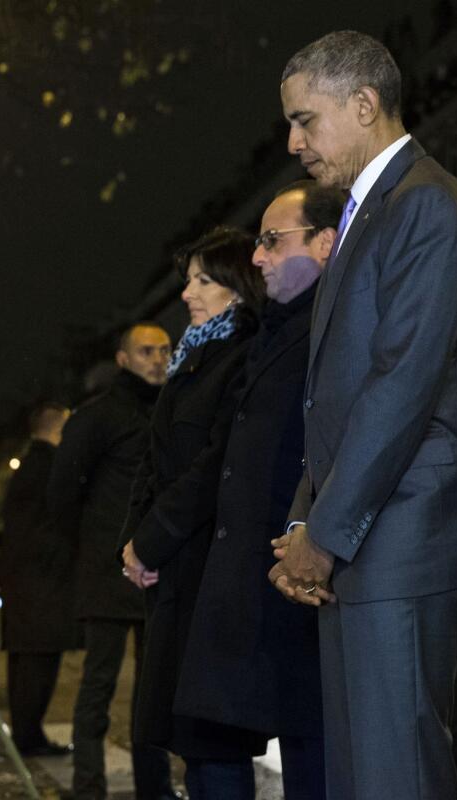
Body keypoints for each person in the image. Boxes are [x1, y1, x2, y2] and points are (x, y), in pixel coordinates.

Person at [268, 31, 457, 800]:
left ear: (365, 104)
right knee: (364, 773)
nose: (294, 141)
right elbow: (338, 396)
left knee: (393, 774)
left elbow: (400, 387)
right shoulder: (379, 209)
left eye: (306, 120)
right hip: (372, 534)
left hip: (402, 532)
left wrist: (325, 533)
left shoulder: (426, 206)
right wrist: (311, 524)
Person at [171, 181, 344, 800]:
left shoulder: (334, 325)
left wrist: (307, 538)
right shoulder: (274, 329)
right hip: (253, 571)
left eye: (273, 241)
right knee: (216, 736)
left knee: (312, 752)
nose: (258, 256)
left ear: (325, 243)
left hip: (296, 569)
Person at [119, 226, 266, 799]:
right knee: (191, 746)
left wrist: (151, 540)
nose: (187, 292)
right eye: (187, 279)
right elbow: (154, 463)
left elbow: (213, 467)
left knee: (215, 741)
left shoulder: (243, 358)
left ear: (238, 284)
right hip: (177, 576)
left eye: (203, 279)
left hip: (212, 576)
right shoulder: (193, 359)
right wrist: (133, 542)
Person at [47, 322, 175, 800]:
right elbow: (61, 493)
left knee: (152, 690)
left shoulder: (169, 404)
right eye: (146, 351)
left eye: (164, 350)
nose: (158, 359)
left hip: (156, 564)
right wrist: (95, 547)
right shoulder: (98, 415)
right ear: (123, 359)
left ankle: (154, 788)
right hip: (106, 572)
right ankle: (88, 787)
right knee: (97, 687)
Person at [0, 400, 81, 757]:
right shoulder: (50, 466)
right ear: (58, 430)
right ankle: (29, 738)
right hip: (44, 584)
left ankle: (25, 735)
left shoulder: (28, 466)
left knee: (24, 662)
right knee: (39, 664)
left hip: (24, 581)